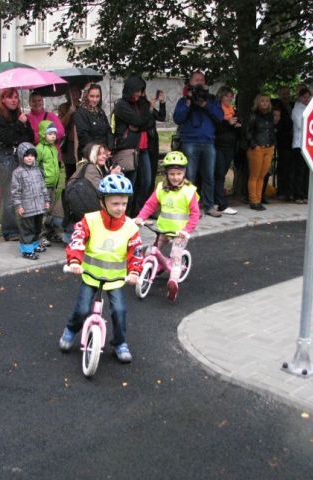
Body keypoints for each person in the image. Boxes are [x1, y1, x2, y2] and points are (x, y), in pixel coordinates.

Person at [59, 174, 142, 363]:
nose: (120, 208)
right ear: (103, 202)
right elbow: (78, 239)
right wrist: (74, 261)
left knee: (119, 311)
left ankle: (120, 342)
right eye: (115, 204)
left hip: (115, 279)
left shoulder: (130, 227)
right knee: (81, 309)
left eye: (123, 203)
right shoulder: (90, 220)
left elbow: (136, 252)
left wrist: (135, 272)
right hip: (90, 275)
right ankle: (71, 330)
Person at [134, 151, 201, 301]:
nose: (175, 177)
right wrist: (140, 217)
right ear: (166, 174)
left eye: (178, 173)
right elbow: (150, 205)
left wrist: (186, 230)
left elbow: (195, 214)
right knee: (151, 250)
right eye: (172, 174)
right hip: (163, 229)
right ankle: (155, 267)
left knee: (176, 256)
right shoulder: (161, 188)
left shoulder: (189, 191)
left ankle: (173, 282)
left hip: (180, 233)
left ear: (184, 173)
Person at [173, 70, 224, 218]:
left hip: (208, 142)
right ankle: (191, 208)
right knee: (190, 177)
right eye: (196, 79)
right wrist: (189, 103)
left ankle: (209, 206)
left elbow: (220, 117)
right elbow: (178, 118)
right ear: (190, 82)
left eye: (201, 79)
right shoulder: (184, 101)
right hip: (189, 142)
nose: (199, 82)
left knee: (209, 176)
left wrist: (205, 104)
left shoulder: (212, 99)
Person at [0, 88, 35, 241]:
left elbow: (30, 137)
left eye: (16, 97)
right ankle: (9, 231)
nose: (14, 100)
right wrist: (18, 124)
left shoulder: (20, 116)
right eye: (10, 97)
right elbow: (5, 137)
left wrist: (25, 124)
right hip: (4, 160)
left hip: (19, 159)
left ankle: (24, 225)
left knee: (23, 195)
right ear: (3, 99)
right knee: (9, 196)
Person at [112, 75, 153, 216]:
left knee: (146, 181)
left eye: (141, 91)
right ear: (130, 90)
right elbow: (140, 120)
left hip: (144, 148)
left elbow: (147, 122)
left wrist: (140, 124)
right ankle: (126, 215)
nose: (139, 94)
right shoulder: (122, 105)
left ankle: (138, 212)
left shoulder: (141, 103)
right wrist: (141, 122)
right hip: (129, 149)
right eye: (137, 91)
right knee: (130, 184)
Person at [11, 143, 51, 260]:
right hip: (27, 208)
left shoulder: (37, 170)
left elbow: (43, 186)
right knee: (27, 230)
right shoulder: (18, 173)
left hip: (39, 206)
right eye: (27, 155)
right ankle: (27, 250)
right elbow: (15, 191)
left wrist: (46, 199)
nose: (30, 158)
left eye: (32, 155)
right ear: (21, 156)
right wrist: (19, 206)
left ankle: (34, 245)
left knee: (37, 228)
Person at [245, 94, 276, 211]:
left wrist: (273, 144)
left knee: (262, 176)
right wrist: (254, 145)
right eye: (262, 101)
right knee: (254, 176)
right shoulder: (253, 116)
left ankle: (259, 199)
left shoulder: (270, 116)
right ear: (258, 102)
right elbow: (248, 131)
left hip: (269, 147)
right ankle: (254, 200)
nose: (265, 103)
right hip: (257, 148)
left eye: (267, 101)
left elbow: (272, 131)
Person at [213, 86, 240, 215]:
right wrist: (227, 123)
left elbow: (234, 127)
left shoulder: (232, 110)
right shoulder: (217, 110)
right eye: (227, 96)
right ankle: (221, 203)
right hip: (219, 145)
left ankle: (217, 200)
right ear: (221, 96)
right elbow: (216, 127)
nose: (229, 98)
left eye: (231, 96)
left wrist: (236, 125)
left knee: (222, 173)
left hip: (230, 145)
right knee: (219, 174)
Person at [36, 120, 62, 243]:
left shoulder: (54, 149)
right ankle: (41, 235)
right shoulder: (39, 149)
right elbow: (35, 166)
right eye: (50, 133)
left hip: (53, 184)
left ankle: (50, 232)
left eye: (54, 133)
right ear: (43, 134)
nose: (53, 136)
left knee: (51, 210)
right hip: (44, 185)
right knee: (43, 210)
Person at [74, 83, 113, 159]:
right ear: (86, 96)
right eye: (92, 96)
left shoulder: (100, 112)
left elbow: (108, 131)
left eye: (97, 96)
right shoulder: (80, 113)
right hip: (89, 155)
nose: (95, 100)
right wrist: (98, 151)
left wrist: (109, 148)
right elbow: (83, 136)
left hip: (104, 154)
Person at [272, 86, 294, 201]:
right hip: (283, 139)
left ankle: (290, 192)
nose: (286, 96)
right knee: (283, 167)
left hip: (293, 140)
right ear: (280, 95)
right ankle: (281, 191)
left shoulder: (293, 105)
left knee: (291, 167)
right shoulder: (277, 106)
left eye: (287, 93)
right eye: (283, 94)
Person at [290, 88, 311, 203]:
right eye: (304, 97)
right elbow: (300, 125)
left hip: (309, 144)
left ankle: (305, 193)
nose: (306, 99)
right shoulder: (297, 109)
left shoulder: (311, 108)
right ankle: (297, 194)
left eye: (308, 97)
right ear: (299, 97)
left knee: (307, 172)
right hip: (299, 144)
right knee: (299, 171)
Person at [57, 85, 82, 179]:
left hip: (81, 142)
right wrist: (69, 113)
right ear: (67, 94)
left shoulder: (83, 106)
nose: (74, 94)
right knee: (70, 173)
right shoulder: (63, 107)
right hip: (69, 145)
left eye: (76, 91)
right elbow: (60, 126)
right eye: (71, 92)